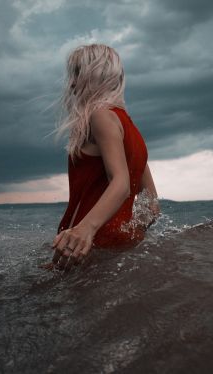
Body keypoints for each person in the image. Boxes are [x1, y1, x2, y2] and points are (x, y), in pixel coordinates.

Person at [45, 43, 160, 271]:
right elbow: (152, 205)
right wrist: (124, 236)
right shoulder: (129, 127)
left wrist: (85, 229)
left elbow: (121, 184)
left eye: (77, 74)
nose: (73, 83)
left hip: (83, 246)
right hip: (116, 246)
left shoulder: (100, 117)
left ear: (93, 75)